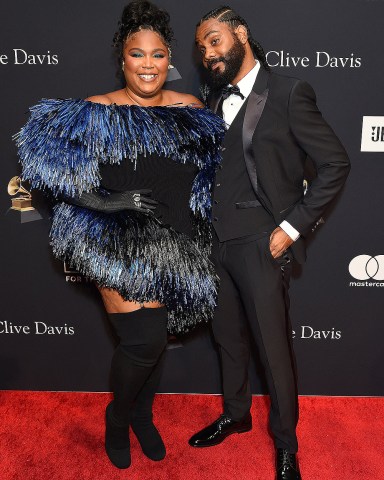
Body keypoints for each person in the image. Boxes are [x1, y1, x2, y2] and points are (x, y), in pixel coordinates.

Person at [15, 0, 224, 470]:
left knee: (155, 338)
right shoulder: (94, 111)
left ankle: (143, 417)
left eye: (156, 55)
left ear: (169, 59)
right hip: (114, 242)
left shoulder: (191, 109)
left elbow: (215, 176)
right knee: (144, 342)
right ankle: (118, 417)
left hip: (174, 243)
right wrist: (108, 202)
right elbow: (43, 168)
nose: (148, 66)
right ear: (122, 58)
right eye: (137, 54)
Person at [191, 6, 350, 480]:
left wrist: (292, 227)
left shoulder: (287, 91)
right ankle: (236, 414)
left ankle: (286, 445)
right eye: (201, 47)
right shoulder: (213, 98)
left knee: (273, 351)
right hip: (216, 243)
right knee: (227, 339)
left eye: (215, 41)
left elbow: (335, 164)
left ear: (240, 34)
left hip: (262, 242)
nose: (208, 53)